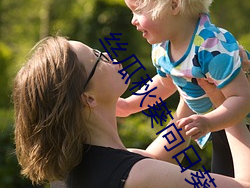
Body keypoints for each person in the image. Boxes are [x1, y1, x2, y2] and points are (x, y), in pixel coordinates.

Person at [13, 36, 250, 188]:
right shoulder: (138, 175)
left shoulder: (82, 170)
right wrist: (227, 103)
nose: (108, 55)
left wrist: (191, 74)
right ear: (88, 98)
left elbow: (154, 155)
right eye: (98, 58)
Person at [120, 0, 250, 177]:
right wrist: (130, 104)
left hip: (239, 124)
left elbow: (242, 98)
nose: (132, 20)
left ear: (173, 5)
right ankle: (149, 160)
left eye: (138, 10)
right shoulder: (162, 47)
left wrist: (209, 122)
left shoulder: (211, 47)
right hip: (215, 122)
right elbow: (166, 82)